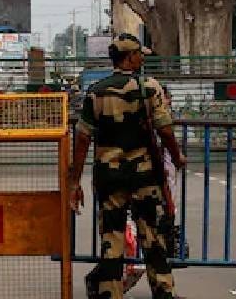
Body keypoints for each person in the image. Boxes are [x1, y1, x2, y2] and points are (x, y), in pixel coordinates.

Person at [70, 33, 186, 299]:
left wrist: (75, 180)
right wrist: (176, 156)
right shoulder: (150, 87)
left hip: (109, 176)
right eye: (139, 54)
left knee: (112, 238)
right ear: (130, 57)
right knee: (152, 237)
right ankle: (163, 291)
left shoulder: (96, 92)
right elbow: (164, 129)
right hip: (144, 176)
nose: (142, 58)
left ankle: (110, 293)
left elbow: (83, 138)